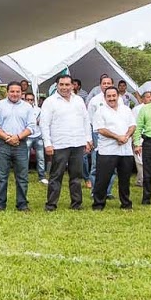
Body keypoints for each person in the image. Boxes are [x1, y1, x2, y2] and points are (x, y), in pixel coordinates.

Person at [39, 73, 91, 211]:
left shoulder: (79, 100)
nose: (64, 87)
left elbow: (86, 120)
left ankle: (76, 204)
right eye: (61, 85)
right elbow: (44, 124)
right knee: (56, 176)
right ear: (57, 86)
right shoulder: (50, 102)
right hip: (59, 144)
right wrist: (47, 143)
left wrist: (88, 139)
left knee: (76, 176)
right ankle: (51, 205)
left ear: (72, 86)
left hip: (77, 143)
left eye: (67, 84)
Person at [0, 81, 36, 211]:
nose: (15, 94)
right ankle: (0, 204)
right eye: (12, 91)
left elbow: (31, 127)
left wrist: (17, 137)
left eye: (17, 92)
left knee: (22, 177)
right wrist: (8, 138)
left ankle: (22, 204)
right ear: (7, 92)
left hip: (20, 145)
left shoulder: (27, 107)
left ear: (22, 93)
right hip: (2, 145)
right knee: (2, 177)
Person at [90, 86, 137, 210]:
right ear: (105, 98)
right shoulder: (100, 111)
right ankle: (98, 204)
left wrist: (126, 136)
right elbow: (101, 129)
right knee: (102, 179)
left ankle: (126, 204)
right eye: (109, 96)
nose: (111, 98)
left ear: (118, 96)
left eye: (113, 96)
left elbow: (133, 125)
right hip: (107, 151)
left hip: (125, 151)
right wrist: (117, 137)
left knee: (125, 180)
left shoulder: (126, 110)